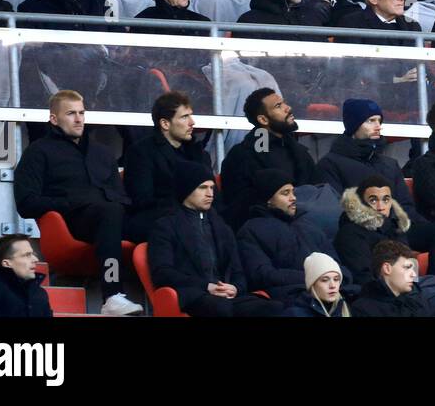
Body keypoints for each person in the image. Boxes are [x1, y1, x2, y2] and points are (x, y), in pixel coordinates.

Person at [13, 90, 142, 315]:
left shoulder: (103, 153)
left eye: (82, 112)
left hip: (112, 216)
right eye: (71, 113)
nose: (79, 118)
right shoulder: (38, 152)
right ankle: (112, 295)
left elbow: (120, 195)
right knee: (110, 212)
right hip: (71, 222)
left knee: (162, 224)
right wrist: (68, 203)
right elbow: (26, 202)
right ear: (54, 119)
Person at [148, 164, 281, 317]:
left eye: (212, 188)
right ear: (186, 190)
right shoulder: (165, 226)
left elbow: (238, 271)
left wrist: (235, 288)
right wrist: (207, 286)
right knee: (221, 309)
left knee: (274, 308)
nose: (210, 194)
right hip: (194, 295)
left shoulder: (222, 227)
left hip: (227, 297)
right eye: (203, 188)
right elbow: (162, 273)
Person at [219, 87, 317, 229]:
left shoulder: (297, 150)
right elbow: (239, 208)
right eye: (278, 106)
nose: (287, 108)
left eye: (284, 103)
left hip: (305, 226)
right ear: (263, 119)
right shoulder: (244, 156)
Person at [124, 90, 214, 242]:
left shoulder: (199, 154)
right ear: (165, 123)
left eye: (191, 115)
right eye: (185, 117)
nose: (192, 122)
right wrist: (186, 205)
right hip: (160, 220)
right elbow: (141, 199)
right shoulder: (141, 152)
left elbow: (214, 196)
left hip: (200, 219)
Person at [237, 171, 340, 300]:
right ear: (268, 199)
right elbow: (262, 275)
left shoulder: (308, 225)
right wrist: (313, 277)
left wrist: (339, 276)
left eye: (293, 192)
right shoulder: (251, 230)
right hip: (291, 295)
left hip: (329, 289)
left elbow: (335, 262)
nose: (293, 198)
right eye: (285, 193)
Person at [333, 176, 414, 283]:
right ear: (361, 202)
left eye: (386, 200)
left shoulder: (396, 226)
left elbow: (409, 265)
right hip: (381, 293)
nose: (381, 207)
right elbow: (363, 278)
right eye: (373, 200)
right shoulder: (350, 234)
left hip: (408, 286)